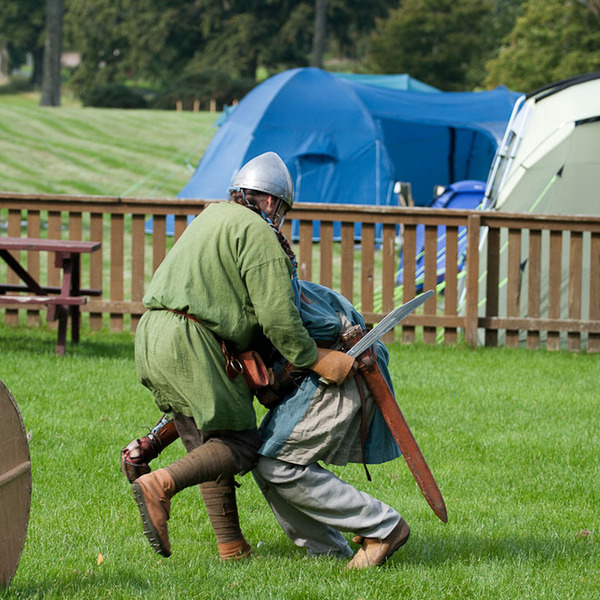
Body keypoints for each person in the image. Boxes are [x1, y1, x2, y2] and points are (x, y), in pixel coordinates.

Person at [127, 152, 355, 561]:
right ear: (270, 201)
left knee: (207, 443)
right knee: (242, 444)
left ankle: (231, 547)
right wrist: (316, 358)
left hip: (153, 335)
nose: (280, 216)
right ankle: (160, 485)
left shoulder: (211, 217)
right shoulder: (258, 231)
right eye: (281, 208)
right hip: (194, 341)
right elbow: (278, 316)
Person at [252, 281, 410, 569]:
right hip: (317, 368)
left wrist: (296, 366)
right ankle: (328, 551)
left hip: (343, 364)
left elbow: (321, 327)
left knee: (275, 463)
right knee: (264, 463)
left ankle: (383, 527)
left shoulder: (264, 260)